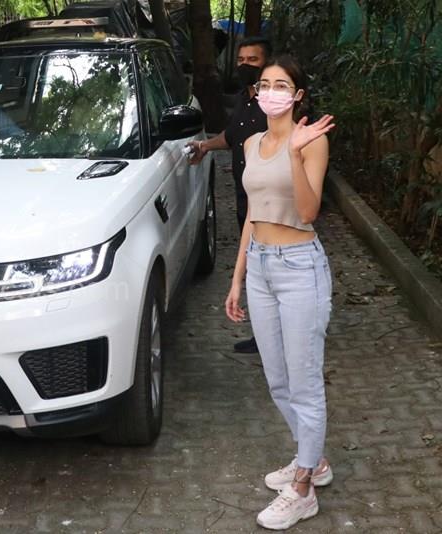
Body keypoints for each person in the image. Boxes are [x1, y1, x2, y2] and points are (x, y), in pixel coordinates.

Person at [224, 55, 335, 530]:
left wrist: (294, 154)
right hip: (261, 268)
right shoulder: (252, 143)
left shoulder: (312, 141)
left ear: (298, 95)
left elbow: (308, 212)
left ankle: (304, 487)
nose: (271, 91)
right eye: (264, 84)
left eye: (282, 85)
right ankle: (315, 459)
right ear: (256, 93)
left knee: (304, 382)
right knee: (277, 380)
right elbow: (253, 212)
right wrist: (237, 277)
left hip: (300, 267)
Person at [188, 36, 272, 355]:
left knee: (271, 269)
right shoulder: (243, 99)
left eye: (252, 60)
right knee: (256, 267)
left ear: (267, 63)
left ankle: (277, 336)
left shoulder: (274, 104)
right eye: (241, 60)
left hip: (269, 203)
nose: (244, 65)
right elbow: (232, 135)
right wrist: (205, 146)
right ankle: (263, 333)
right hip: (244, 199)